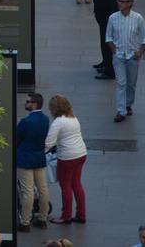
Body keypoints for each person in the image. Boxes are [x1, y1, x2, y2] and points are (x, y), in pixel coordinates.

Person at [106, 0, 145, 122]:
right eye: (120, 1)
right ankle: (121, 111)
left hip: (132, 56)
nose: (121, 4)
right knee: (121, 83)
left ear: (130, 3)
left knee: (131, 83)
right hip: (119, 55)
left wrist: (140, 52)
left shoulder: (138, 18)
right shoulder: (113, 18)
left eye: (124, 1)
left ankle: (128, 103)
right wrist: (114, 50)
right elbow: (108, 37)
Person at [44, 94, 87, 224]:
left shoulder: (58, 121)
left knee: (65, 186)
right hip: (81, 154)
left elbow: (49, 143)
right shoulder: (73, 118)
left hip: (67, 158)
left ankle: (66, 216)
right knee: (77, 184)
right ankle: (81, 214)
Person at [16, 92, 51, 231]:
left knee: (27, 191)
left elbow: (17, 138)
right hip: (39, 158)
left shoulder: (26, 121)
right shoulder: (46, 119)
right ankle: (43, 218)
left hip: (25, 159)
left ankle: (25, 222)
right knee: (43, 189)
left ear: (34, 104)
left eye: (28, 101)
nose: (26, 103)